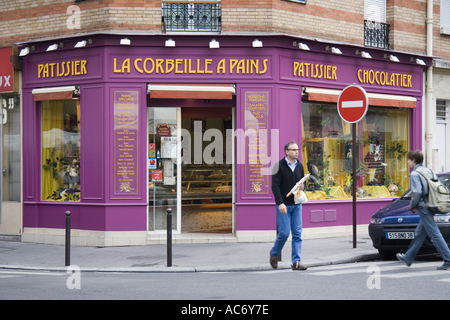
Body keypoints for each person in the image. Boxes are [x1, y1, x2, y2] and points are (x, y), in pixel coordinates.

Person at [396, 150, 450, 270]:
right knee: (420, 233)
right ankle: (408, 258)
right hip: (432, 204)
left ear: (414, 160)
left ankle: (448, 259)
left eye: (409, 160)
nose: (408, 162)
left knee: (434, 234)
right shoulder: (428, 171)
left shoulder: (415, 174)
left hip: (423, 206)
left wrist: (412, 206)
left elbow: (417, 192)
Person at [270, 140, 307, 270]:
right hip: (283, 205)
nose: (297, 152)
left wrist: (303, 186)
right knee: (284, 233)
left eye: (297, 150)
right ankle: (274, 253)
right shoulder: (278, 166)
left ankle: (296, 262)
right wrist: (280, 203)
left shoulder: (300, 166)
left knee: (297, 233)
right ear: (287, 152)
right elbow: (275, 187)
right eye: (293, 149)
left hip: (296, 205)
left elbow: (302, 183)